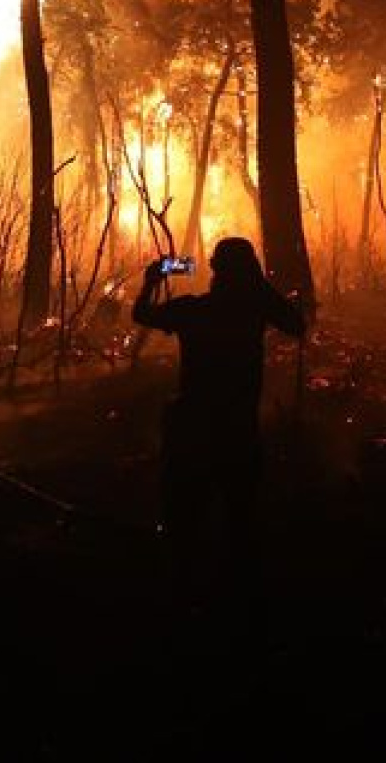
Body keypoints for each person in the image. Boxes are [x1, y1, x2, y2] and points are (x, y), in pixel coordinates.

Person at [132, 237, 304, 628]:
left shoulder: (195, 311)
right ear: (251, 274)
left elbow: (142, 314)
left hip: (193, 425)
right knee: (239, 517)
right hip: (237, 427)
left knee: (184, 520)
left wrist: (154, 278)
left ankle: (183, 601)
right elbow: (296, 324)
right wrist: (260, 288)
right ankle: (240, 604)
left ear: (215, 272)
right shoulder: (253, 311)